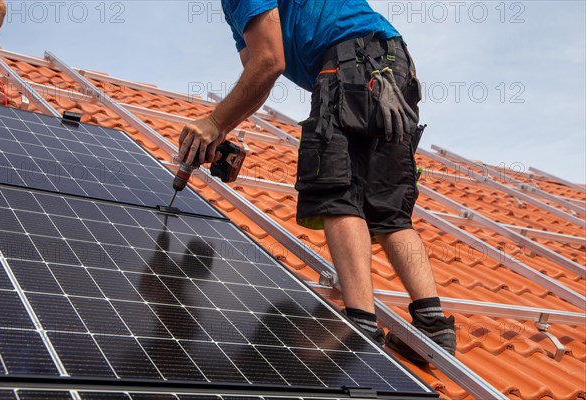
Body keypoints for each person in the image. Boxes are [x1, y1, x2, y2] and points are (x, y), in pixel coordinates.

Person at [178, 1, 456, 364]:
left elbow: (269, 62)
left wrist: (213, 121)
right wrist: (221, 128)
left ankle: (360, 322)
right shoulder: (240, 17)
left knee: (336, 189)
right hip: (393, 65)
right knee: (386, 206)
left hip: (348, 63)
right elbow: (258, 77)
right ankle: (432, 324)